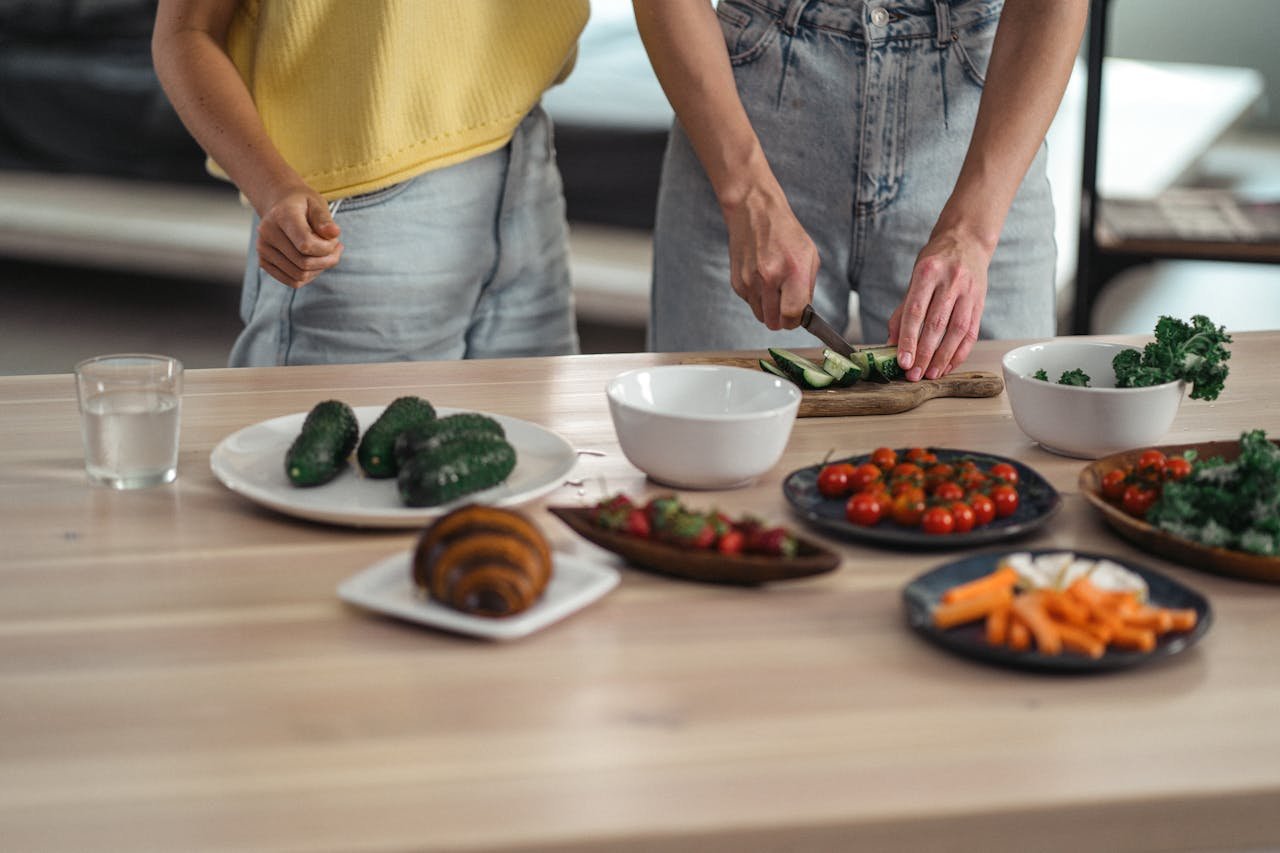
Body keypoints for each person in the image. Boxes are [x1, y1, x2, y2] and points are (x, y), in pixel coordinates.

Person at [634, 0, 1088, 381]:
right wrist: (746, 194)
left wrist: (972, 233)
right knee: (711, 454)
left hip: (981, 134)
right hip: (746, 119)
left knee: (995, 460)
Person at [152, 0, 589, 367]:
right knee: (334, 465)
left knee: (534, 455)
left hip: (526, 161)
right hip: (362, 214)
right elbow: (188, 31)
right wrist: (274, 189)